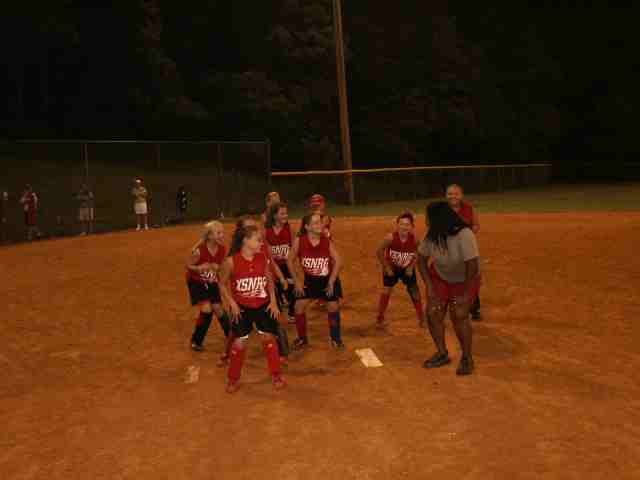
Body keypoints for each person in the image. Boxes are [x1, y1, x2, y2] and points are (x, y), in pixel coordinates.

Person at [217, 225, 285, 393]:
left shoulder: (262, 258)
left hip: (263, 305)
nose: (262, 243)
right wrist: (232, 303)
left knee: (269, 339)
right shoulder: (231, 262)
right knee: (239, 343)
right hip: (242, 308)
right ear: (246, 241)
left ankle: (276, 375)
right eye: (258, 240)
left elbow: (269, 280)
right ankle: (233, 379)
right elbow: (221, 284)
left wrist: (273, 301)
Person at [417, 201, 481, 376]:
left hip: (465, 279)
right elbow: (421, 260)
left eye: (429, 217)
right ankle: (442, 353)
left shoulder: (464, 234)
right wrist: (429, 286)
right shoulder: (432, 235)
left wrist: (465, 294)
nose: (426, 220)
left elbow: (472, 266)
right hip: (441, 277)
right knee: (433, 312)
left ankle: (467, 358)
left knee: (459, 314)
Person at [231, 215, 290, 364]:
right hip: (247, 296)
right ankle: (228, 352)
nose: (254, 229)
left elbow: (272, 264)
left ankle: (282, 352)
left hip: (266, 290)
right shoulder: (235, 253)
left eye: (255, 226)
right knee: (238, 331)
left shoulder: (262, 245)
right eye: (248, 227)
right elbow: (228, 278)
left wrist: (281, 278)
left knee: (275, 321)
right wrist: (233, 300)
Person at [287, 213, 345, 349]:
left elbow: (338, 261)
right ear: (307, 227)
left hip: (327, 280)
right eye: (316, 223)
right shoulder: (300, 241)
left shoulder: (326, 241)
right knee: (298, 306)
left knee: (333, 306)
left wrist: (331, 281)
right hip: (310, 281)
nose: (320, 225)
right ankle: (302, 339)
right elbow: (289, 260)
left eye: (320, 222)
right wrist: (297, 281)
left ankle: (336, 339)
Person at [185, 221, 231, 362]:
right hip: (196, 282)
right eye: (218, 233)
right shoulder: (199, 250)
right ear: (210, 236)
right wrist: (198, 268)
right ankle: (196, 340)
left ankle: (231, 335)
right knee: (206, 310)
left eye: (222, 232)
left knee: (218, 309)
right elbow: (188, 265)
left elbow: (222, 267)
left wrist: (218, 268)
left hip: (211, 281)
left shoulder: (222, 249)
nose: (222, 235)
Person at [375, 211, 424, 329]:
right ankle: (380, 318)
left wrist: (411, 267)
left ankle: (422, 319)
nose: (404, 227)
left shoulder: (415, 239)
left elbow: (419, 252)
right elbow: (379, 250)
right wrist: (387, 267)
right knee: (386, 290)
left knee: (414, 290)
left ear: (412, 227)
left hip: (407, 267)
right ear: (397, 225)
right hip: (392, 267)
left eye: (407, 225)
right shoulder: (390, 238)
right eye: (401, 224)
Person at [446, 184, 482, 321]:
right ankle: (450, 305)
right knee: (450, 277)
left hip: (467, 249)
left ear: (461, 195)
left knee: (471, 276)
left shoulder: (469, 208)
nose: (453, 196)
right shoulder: (442, 210)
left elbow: (476, 225)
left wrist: (466, 233)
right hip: (449, 249)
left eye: (456, 193)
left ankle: (474, 308)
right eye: (450, 193)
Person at [264, 201, 296, 323]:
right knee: (275, 290)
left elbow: (294, 249)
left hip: (287, 265)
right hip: (273, 266)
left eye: (286, 213)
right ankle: (275, 315)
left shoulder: (289, 230)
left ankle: (292, 313)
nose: (285, 216)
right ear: (274, 215)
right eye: (282, 213)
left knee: (292, 289)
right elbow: (266, 252)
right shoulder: (267, 231)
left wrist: (293, 265)